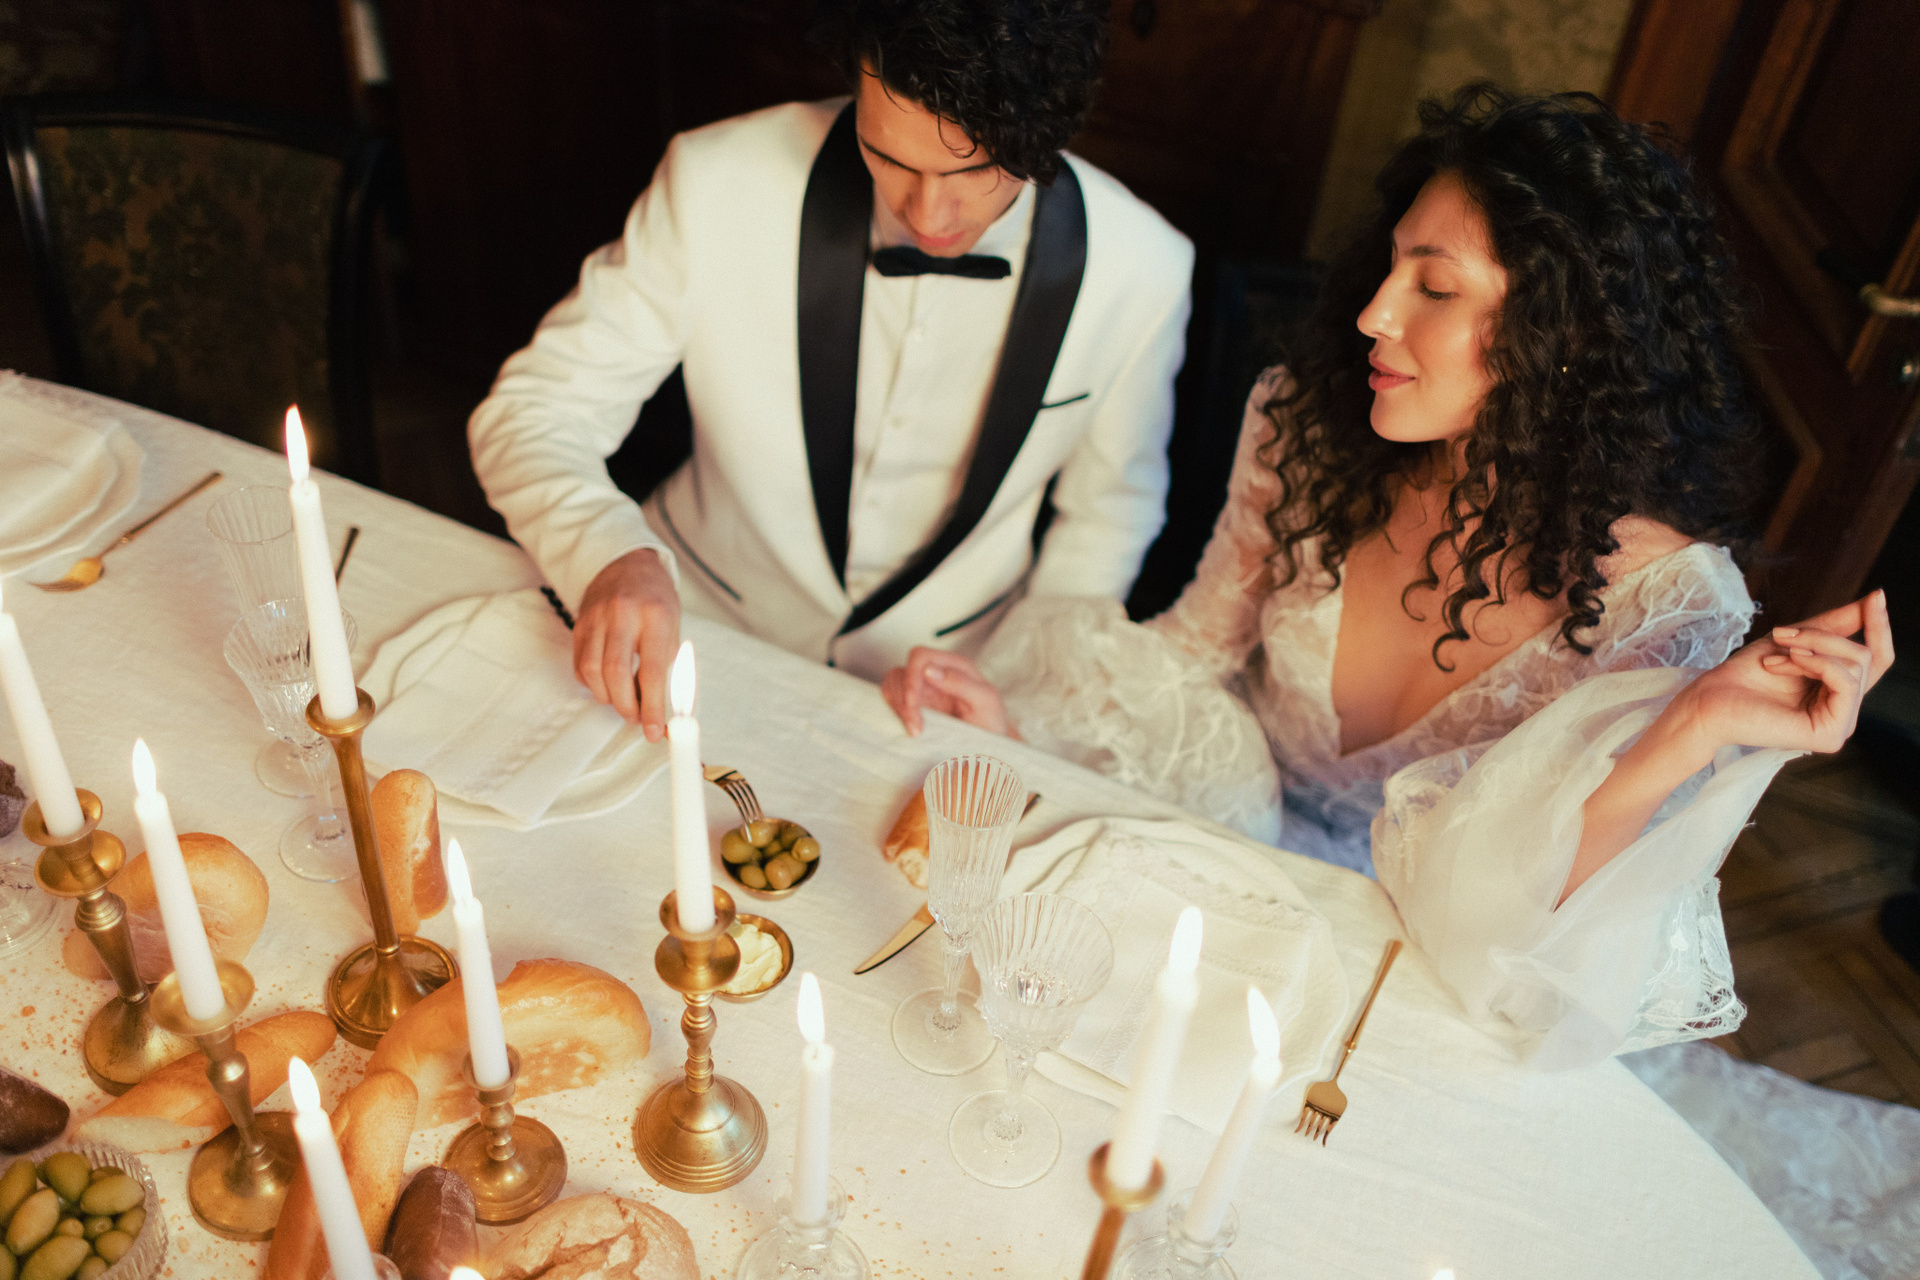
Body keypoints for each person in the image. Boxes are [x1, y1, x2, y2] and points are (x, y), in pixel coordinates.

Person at [880, 87, 1896, 1067]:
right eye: (1391, 267)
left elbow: (1537, 930)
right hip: (1221, 856)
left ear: (1569, 333)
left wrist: (1693, 725)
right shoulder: (1307, 431)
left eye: (1435, 288)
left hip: (1424, 971)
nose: (1373, 313)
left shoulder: (1663, 605)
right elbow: (1190, 658)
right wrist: (1031, 738)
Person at [468, 0, 1192, 742]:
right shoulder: (715, 182)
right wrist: (607, 554)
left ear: (1047, 128)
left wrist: (1023, 695)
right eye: (889, 156)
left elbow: (1109, 516)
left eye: (972, 169)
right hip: (695, 630)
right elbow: (533, 411)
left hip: (948, 692)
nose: (926, 214)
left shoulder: (1145, 270)